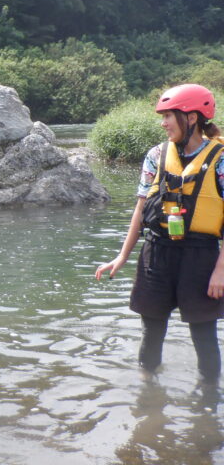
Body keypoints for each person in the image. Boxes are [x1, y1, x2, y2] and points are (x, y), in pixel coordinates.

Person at [96, 84, 224, 381]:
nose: (163, 123)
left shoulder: (220, 159)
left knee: (203, 335)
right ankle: (147, 395)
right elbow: (140, 211)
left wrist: (221, 270)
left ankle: (207, 401)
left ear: (191, 117)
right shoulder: (156, 154)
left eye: (169, 116)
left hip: (201, 257)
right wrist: (121, 257)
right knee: (151, 332)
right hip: (157, 253)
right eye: (162, 117)